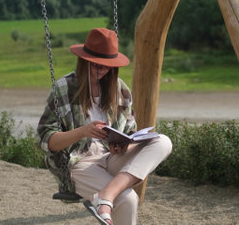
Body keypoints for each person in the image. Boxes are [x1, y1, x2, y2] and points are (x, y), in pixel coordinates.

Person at [37, 28, 172, 225]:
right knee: (128, 198)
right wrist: (82, 131)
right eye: (96, 65)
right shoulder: (64, 88)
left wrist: (124, 144)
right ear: (84, 60)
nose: (101, 70)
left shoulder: (120, 89)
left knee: (163, 142)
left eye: (106, 66)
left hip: (110, 156)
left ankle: (106, 195)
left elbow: (130, 132)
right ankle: (107, 198)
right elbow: (45, 140)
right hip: (78, 162)